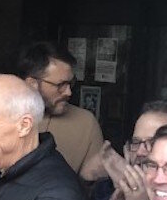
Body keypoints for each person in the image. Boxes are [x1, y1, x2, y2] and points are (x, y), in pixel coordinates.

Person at [21, 42, 106, 181]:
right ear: (32, 84)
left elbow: (95, 191)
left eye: (70, 84)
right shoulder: (4, 117)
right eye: (60, 85)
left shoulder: (86, 123)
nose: (68, 92)